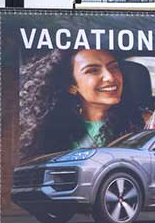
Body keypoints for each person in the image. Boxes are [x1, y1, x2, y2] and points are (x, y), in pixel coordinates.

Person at [19, 48, 147, 157]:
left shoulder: (146, 123)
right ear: (72, 86)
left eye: (113, 67)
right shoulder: (51, 131)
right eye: (92, 70)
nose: (110, 77)